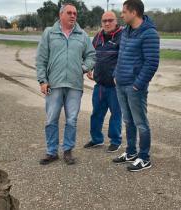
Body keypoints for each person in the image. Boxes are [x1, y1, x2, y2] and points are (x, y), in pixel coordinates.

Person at [35, 3, 95, 165]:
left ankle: (68, 151)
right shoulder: (49, 33)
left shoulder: (82, 35)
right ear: (61, 14)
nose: (73, 15)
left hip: (75, 85)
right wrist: (42, 80)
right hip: (54, 84)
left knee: (72, 120)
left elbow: (91, 56)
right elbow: (41, 59)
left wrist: (83, 68)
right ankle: (51, 152)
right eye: (69, 13)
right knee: (51, 119)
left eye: (75, 13)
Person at [112, 0, 160, 172]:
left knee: (141, 123)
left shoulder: (149, 34)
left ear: (133, 12)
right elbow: (121, 55)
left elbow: (152, 63)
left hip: (134, 87)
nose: (121, 15)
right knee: (128, 121)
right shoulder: (126, 31)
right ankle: (131, 152)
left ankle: (144, 158)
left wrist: (137, 85)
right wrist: (115, 75)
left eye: (124, 11)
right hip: (121, 84)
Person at [83, 11, 123, 153]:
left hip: (115, 87)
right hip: (99, 85)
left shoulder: (123, 36)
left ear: (116, 21)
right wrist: (90, 67)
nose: (107, 23)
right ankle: (96, 139)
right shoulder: (98, 36)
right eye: (104, 21)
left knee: (116, 114)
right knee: (96, 114)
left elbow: (126, 58)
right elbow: (91, 55)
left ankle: (115, 141)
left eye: (110, 20)